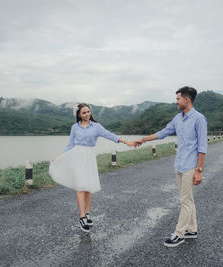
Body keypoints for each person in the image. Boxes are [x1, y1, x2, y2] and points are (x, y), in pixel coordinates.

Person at [134, 86, 207, 247]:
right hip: (179, 164)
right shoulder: (177, 118)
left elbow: (203, 146)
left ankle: (179, 234)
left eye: (178, 99)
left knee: (185, 200)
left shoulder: (199, 119)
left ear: (186, 99)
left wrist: (199, 170)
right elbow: (163, 133)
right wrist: (143, 139)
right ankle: (192, 229)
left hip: (190, 166)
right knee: (188, 199)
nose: (176, 102)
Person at [49, 103, 135, 233]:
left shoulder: (96, 127)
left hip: (89, 157)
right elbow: (70, 145)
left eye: (88, 112)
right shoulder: (74, 127)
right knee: (80, 186)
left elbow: (110, 135)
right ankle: (81, 217)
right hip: (77, 157)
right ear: (79, 115)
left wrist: (126, 141)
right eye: (84, 113)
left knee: (88, 186)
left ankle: (88, 214)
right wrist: (60, 157)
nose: (87, 114)